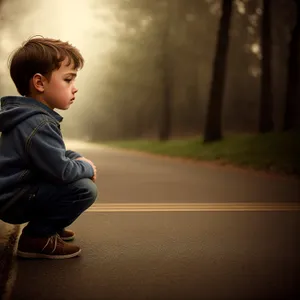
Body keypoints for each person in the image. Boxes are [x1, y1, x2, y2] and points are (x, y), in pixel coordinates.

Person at [0, 36, 98, 259]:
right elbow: (62, 171)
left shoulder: (31, 116)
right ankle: (37, 237)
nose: (75, 89)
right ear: (40, 83)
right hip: (15, 200)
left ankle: (50, 224)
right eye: (68, 80)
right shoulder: (39, 123)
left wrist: (77, 159)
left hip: (15, 193)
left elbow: (54, 155)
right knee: (84, 189)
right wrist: (87, 168)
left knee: (76, 173)